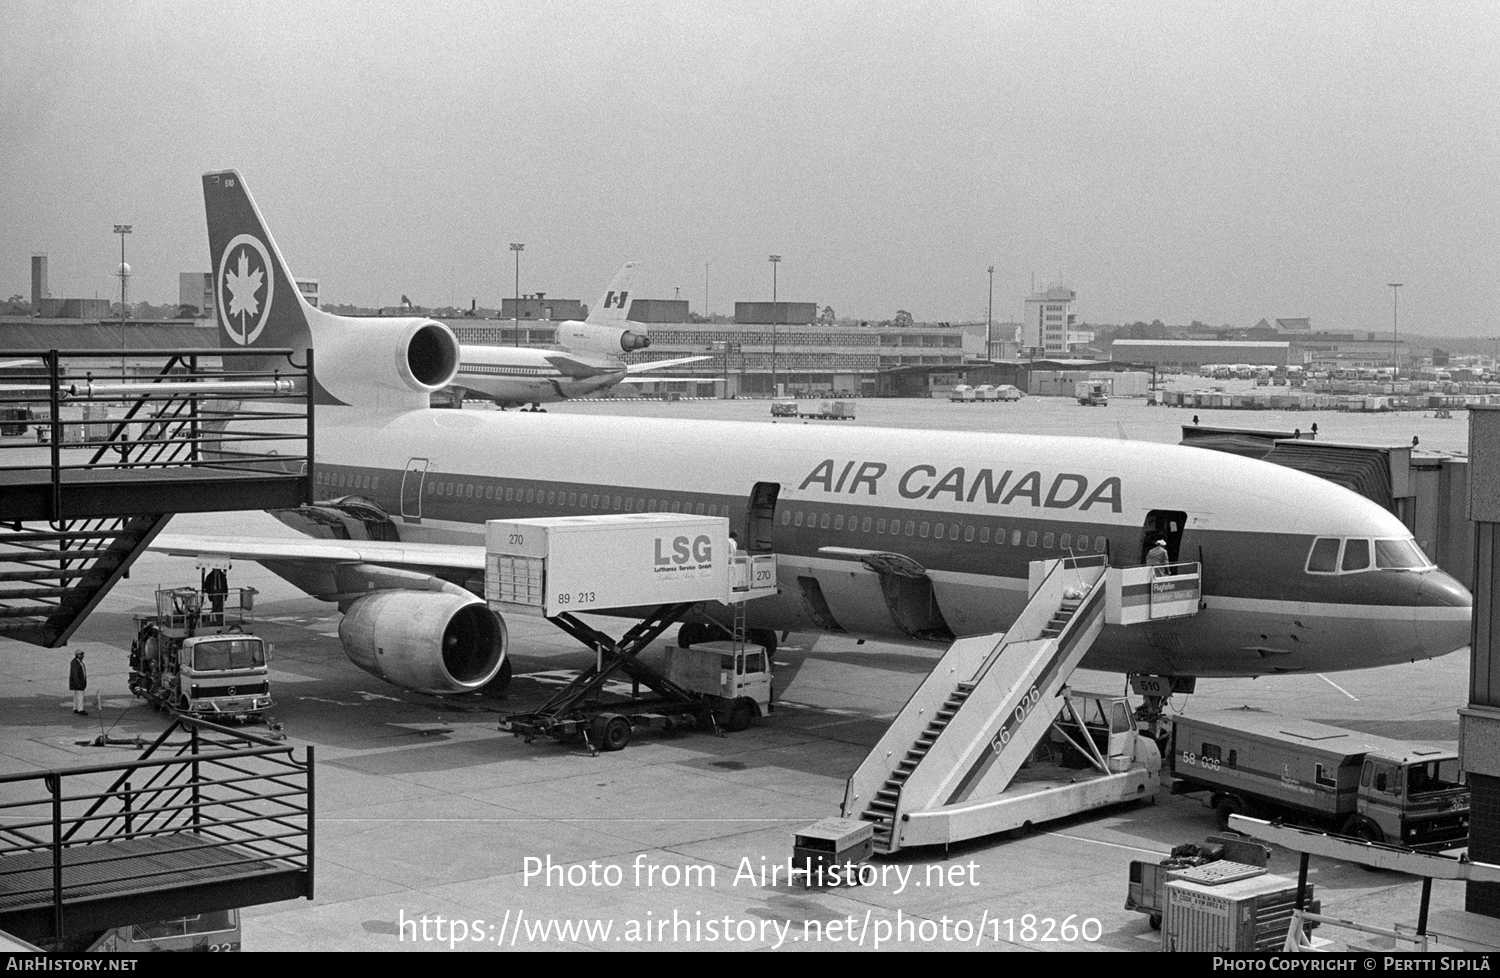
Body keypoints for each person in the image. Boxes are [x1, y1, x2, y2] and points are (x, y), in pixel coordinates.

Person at [69, 650, 87, 715]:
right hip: (79, 683)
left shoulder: (78, 662)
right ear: (78, 655)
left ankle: (76, 708)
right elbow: (75, 674)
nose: (83, 656)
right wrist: (78, 683)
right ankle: (81, 709)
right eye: (82, 654)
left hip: (79, 682)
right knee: (80, 696)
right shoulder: (75, 663)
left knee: (76, 696)